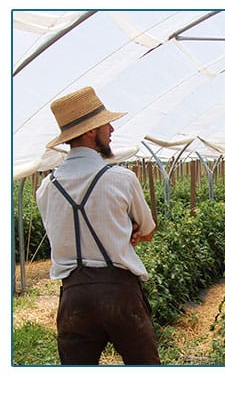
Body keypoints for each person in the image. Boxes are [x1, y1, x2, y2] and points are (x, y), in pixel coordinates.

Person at [36, 86, 160, 365]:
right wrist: (131, 233)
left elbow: (58, 232)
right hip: (120, 295)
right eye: (106, 124)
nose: (112, 129)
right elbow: (149, 229)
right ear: (91, 131)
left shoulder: (47, 187)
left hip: (73, 298)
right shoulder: (121, 179)